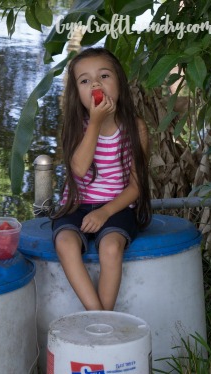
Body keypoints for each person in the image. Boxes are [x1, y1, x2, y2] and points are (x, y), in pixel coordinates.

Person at [51, 47, 152, 311]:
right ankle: (96, 315)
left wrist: (105, 212)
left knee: (110, 248)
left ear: (119, 81)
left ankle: (105, 317)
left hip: (117, 205)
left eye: (104, 76)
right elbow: (79, 169)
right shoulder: (76, 125)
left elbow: (136, 186)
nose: (95, 84)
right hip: (77, 204)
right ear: (77, 93)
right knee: (65, 243)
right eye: (85, 81)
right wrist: (95, 123)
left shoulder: (135, 127)